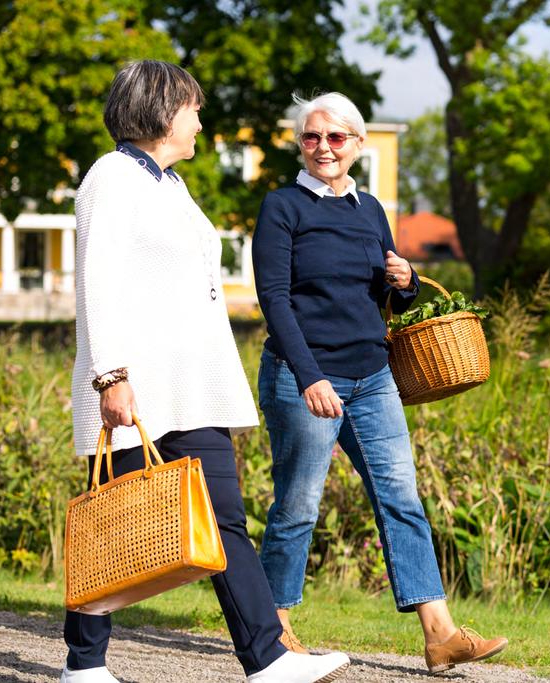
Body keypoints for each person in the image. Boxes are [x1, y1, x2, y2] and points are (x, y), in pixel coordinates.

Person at [64, 60, 350, 683]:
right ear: (164, 111)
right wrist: (111, 378)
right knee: (112, 519)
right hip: (134, 386)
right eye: (193, 108)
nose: (201, 121)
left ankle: (267, 658)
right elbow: (96, 284)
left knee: (223, 517)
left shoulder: (168, 184)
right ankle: (83, 666)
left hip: (189, 383)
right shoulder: (110, 179)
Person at [251, 91, 508, 674]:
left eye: (336, 137)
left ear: (358, 145)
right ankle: (275, 632)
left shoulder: (370, 210)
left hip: (373, 377)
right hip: (305, 378)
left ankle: (440, 634)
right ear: (300, 144)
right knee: (296, 507)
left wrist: (408, 280)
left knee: (401, 498)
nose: (323, 148)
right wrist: (310, 375)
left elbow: (386, 295)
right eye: (312, 137)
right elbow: (274, 299)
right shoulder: (282, 207)